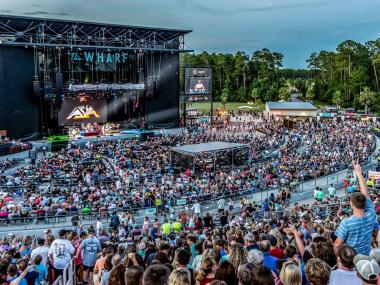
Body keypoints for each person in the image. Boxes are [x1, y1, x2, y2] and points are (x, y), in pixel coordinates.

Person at [334, 162, 376, 255]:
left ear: (351, 204)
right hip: (366, 256)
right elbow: (366, 193)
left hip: (351, 260)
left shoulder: (346, 223)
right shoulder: (371, 214)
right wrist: (359, 173)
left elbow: (337, 245)